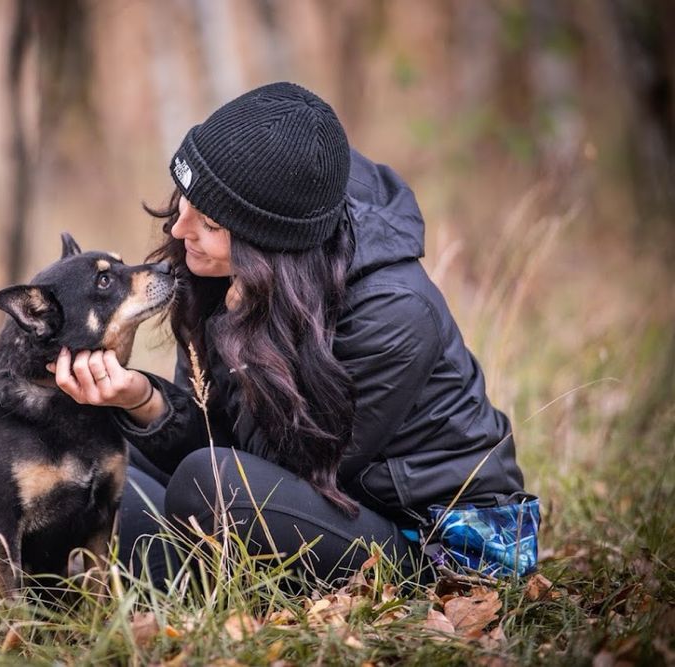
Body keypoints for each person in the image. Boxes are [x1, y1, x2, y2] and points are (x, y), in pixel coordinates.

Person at [49, 82, 526, 587]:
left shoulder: (395, 315)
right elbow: (215, 432)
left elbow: (285, 468)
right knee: (105, 453)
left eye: (208, 221)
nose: (177, 229)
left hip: (438, 543)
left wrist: (239, 332)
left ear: (267, 247)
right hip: (315, 506)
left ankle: (175, 577)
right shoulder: (229, 266)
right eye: (184, 199)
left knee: (205, 484)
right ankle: (161, 576)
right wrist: (141, 399)